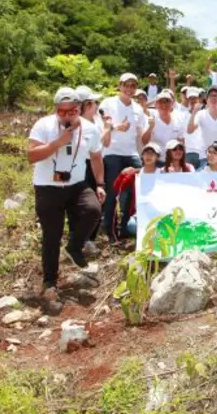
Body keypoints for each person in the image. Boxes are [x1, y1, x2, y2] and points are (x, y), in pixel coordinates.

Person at [27, 87, 105, 307]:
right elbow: (31, 155)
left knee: (93, 210)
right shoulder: (43, 125)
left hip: (76, 184)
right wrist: (57, 143)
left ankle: (74, 246)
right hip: (48, 186)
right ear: (55, 110)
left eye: (72, 111)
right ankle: (49, 282)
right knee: (52, 234)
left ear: (79, 109)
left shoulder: (90, 129)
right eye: (62, 111)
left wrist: (100, 184)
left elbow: (96, 157)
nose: (67, 115)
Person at [98, 73, 152, 243]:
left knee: (136, 188)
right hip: (112, 152)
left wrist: (150, 130)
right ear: (120, 85)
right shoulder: (108, 103)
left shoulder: (138, 109)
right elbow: (102, 127)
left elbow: (141, 137)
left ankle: (126, 226)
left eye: (133, 85)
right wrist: (117, 127)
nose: (129, 89)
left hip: (131, 153)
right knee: (113, 190)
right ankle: (109, 228)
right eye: (126, 85)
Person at [71, 85, 111, 255]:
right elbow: (92, 148)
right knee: (86, 203)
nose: (97, 105)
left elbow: (102, 144)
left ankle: (86, 239)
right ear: (87, 105)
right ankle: (83, 240)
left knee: (94, 202)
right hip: (86, 165)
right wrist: (107, 129)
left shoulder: (94, 122)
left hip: (93, 164)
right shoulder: (80, 124)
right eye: (94, 102)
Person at [149, 90, 185, 165]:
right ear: (156, 104)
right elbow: (144, 141)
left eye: (167, 102)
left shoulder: (178, 120)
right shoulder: (151, 118)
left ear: (172, 104)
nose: (164, 105)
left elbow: (182, 141)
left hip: (173, 162)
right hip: (156, 161)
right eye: (161, 102)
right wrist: (150, 128)